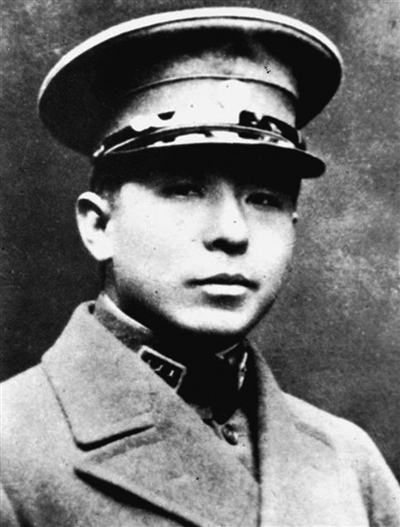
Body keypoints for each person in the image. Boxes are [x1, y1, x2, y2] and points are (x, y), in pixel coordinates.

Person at [1, 7, 399, 527]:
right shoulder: (12, 448)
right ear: (99, 226)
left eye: (264, 198)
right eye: (184, 190)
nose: (232, 232)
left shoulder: (351, 462)